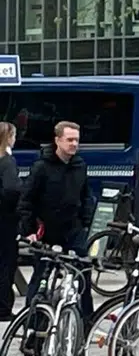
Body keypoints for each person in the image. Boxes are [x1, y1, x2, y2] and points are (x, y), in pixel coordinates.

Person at [17, 122, 95, 318]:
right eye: (69, 140)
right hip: (47, 230)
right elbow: (27, 200)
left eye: (77, 140)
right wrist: (29, 230)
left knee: (83, 272)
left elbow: (86, 196)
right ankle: (32, 322)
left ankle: (86, 320)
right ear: (57, 140)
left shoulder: (80, 165)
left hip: (73, 229)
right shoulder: (41, 167)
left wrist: (86, 222)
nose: (74, 144)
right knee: (42, 275)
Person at [0, 123, 20, 320]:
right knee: (6, 264)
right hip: (5, 220)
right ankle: (3, 308)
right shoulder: (7, 162)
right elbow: (12, 189)